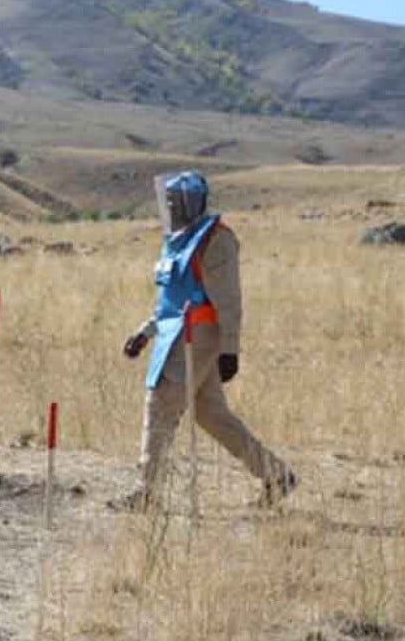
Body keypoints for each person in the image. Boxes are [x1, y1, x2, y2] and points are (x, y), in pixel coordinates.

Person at [111, 171, 296, 512]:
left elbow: (228, 300)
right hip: (176, 335)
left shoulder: (215, 239)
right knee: (211, 414)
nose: (169, 208)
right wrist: (144, 332)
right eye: (167, 202)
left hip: (197, 336)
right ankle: (276, 475)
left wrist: (230, 349)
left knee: (161, 402)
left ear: (190, 202)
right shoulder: (177, 241)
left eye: (174, 202)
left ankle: (147, 492)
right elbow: (171, 300)